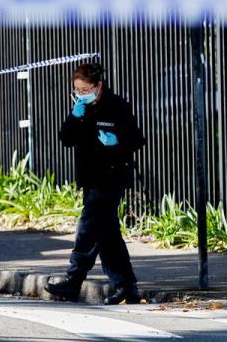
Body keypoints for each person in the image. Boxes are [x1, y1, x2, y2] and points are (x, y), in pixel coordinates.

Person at [44, 62, 145, 305]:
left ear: (98, 86)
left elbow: (136, 139)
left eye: (85, 89)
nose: (81, 94)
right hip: (90, 179)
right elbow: (66, 139)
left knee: (88, 226)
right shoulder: (82, 110)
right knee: (107, 234)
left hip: (112, 177)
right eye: (77, 90)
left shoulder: (117, 105)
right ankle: (126, 286)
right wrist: (74, 116)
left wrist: (116, 142)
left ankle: (73, 280)